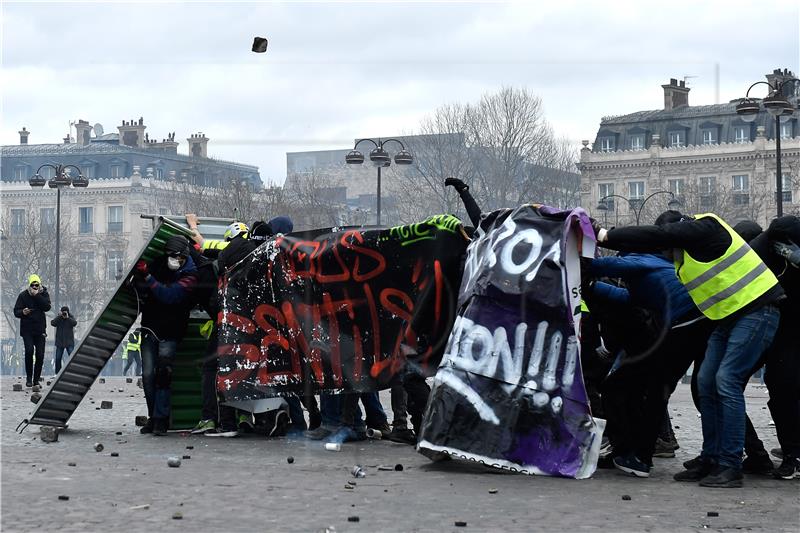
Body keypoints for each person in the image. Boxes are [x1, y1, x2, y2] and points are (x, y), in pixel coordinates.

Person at [595, 210, 783, 488]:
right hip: (725, 316)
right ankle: (711, 458)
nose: (667, 250)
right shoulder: (682, 261)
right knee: (705, 383)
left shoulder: (706, 226)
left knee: (725, 381)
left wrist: (603, 236)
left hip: (758, 310)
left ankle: (730, 465)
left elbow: (658, 237)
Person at [134, 235, 198, 436]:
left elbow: (169, 295)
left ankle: (161, 420)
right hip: (150, 327)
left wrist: (149, 278)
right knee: (147, 375)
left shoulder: (191, 275)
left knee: (163, 376)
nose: (172, 259)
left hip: (171, 331)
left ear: (184, 256)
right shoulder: (158, 264)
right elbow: (138, 286)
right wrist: (139, 278)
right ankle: (153, 417)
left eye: (176, 256)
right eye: (170, 255)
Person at [13, 274, 52, 387]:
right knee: (29, 351)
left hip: (40, 330)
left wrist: (37, 296)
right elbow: (16, 311)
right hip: (27, 330)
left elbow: (47, 307)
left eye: (37, 285)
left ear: (39, 285)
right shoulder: (23, 295)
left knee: (40, 354)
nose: (35, 287)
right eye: (32, 285)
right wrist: (22, 312)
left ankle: (36, 380)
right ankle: (29, 378)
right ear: (29, 285)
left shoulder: (43, 293)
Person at [50, 306, 77, 374]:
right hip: (60, 342)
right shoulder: (59, 318)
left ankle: (74, 372)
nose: (64, 313)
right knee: (58, 358)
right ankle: (57, 374)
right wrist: (59, 316)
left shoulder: (70, 317)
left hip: (69, 342)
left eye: (65, 312)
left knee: (72, 357)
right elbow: (53, 323)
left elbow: (74, 323)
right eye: (63, 312)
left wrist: (68, 318)